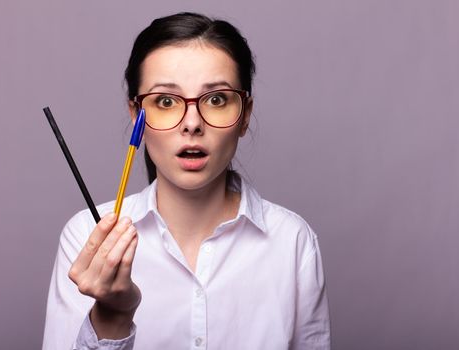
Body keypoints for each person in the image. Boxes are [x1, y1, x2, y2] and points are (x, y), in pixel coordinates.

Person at [42, 12, 331, 350]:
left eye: (217, 99)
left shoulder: (293, 243)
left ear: (245, 115)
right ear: (137, 117)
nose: (192, 123)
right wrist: (112, 317)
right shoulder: (85, 238)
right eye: (166, 101)